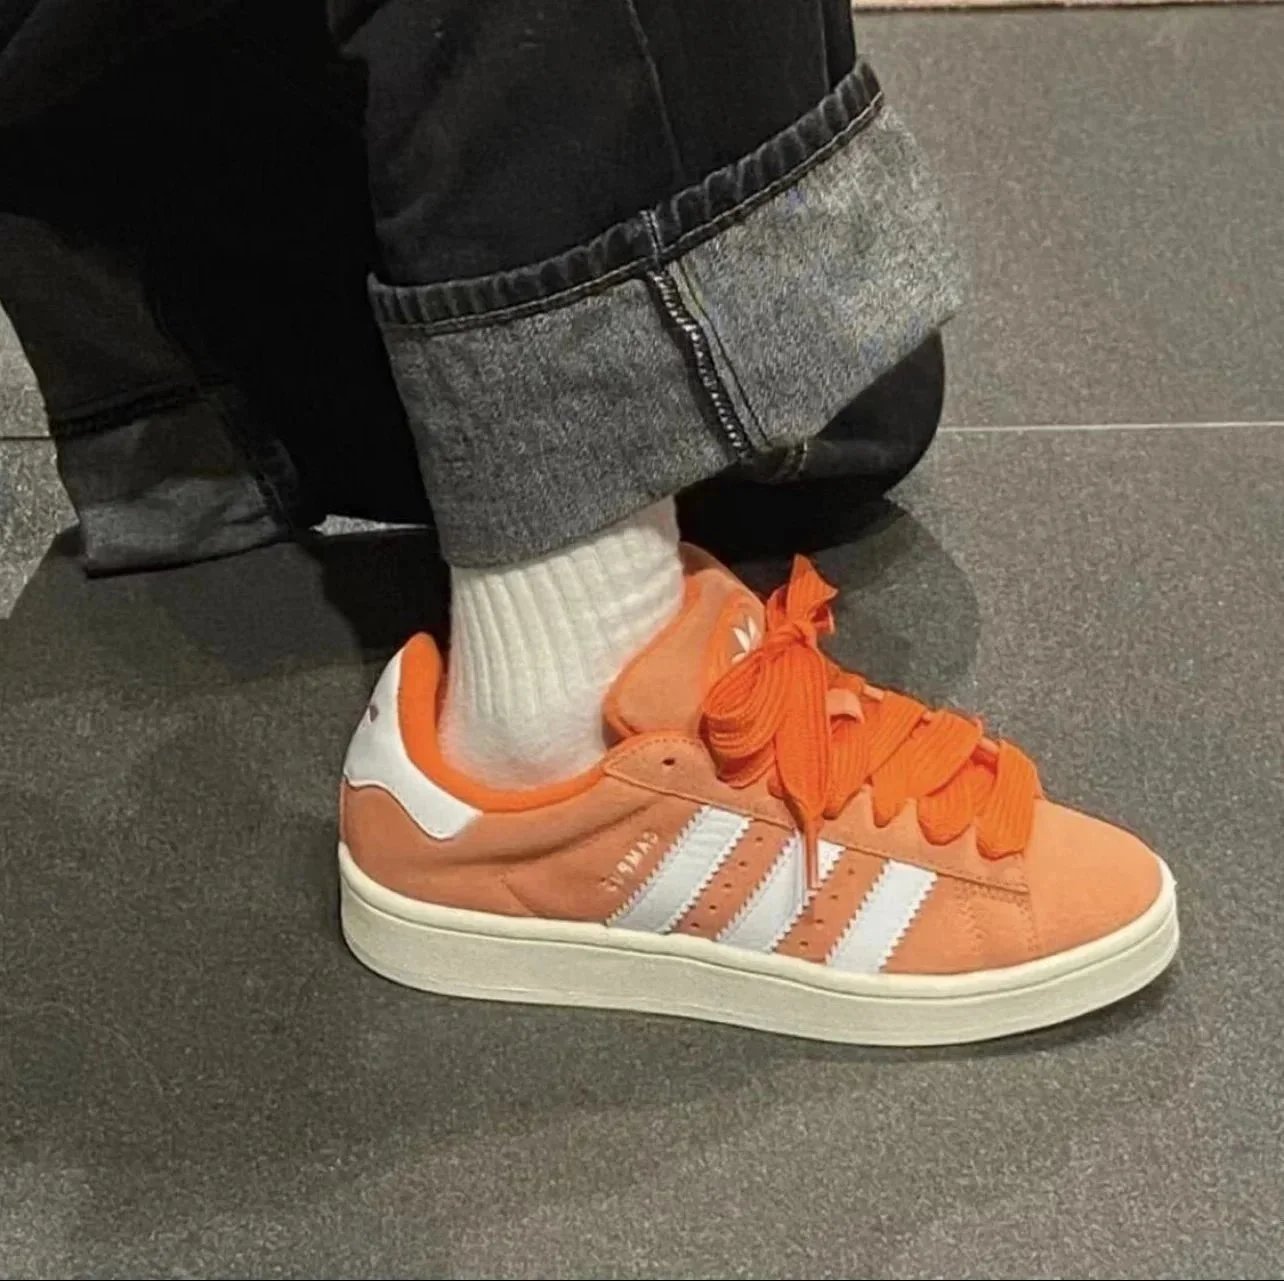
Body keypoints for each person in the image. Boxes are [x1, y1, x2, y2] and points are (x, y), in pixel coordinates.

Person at [1, 0, 1177, 1044]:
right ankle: (565, 723)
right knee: (737, 360)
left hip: (189, 155)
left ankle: (576, 622)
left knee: (836, 408)